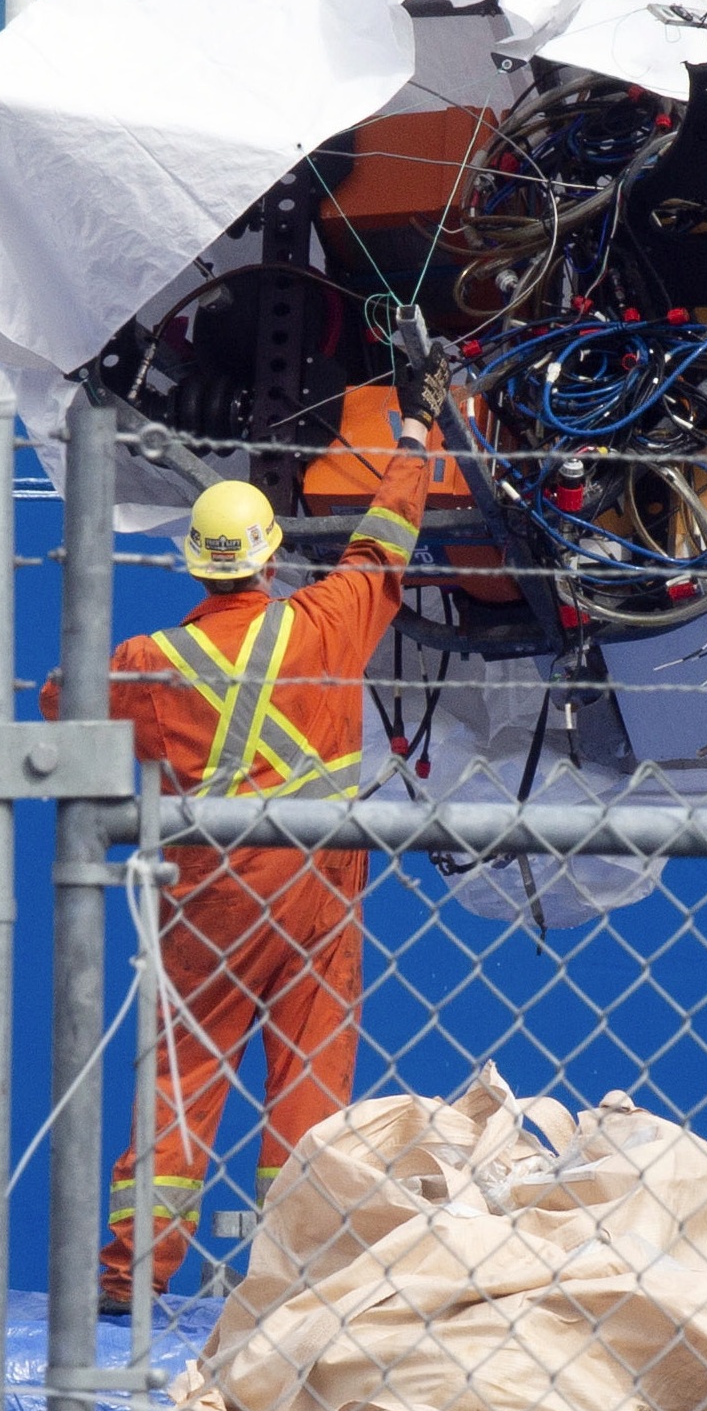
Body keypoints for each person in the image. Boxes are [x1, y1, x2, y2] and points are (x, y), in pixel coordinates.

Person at [50, 347, 451, 1308]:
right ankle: (301, 1277)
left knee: (183, 1076)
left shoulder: (154, 661)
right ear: (271, 556)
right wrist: (417, 432)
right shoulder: (324, 621)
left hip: (214, 892)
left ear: (196, 563)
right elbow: (383, 541)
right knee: (312, 1076)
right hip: (321, 883)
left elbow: (61, 698)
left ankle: (128, 1283)